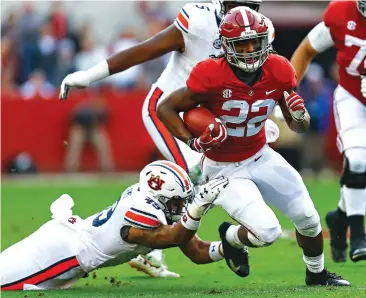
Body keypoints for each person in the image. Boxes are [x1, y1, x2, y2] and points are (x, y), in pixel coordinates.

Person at [58, 0, 279, 278]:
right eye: (235, 2)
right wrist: (89, 75)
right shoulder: (199, 23)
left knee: (195, 181)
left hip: (206, 117)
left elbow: (262, 80)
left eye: (249, 5)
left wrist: (267, 118)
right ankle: (156, 246)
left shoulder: (257, 30)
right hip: (167, 110)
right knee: (196, 177)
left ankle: (156, 244)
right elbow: (146, 50)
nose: (242, 10)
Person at [157, 7, 349, 286]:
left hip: (260, 155)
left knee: (307, 216)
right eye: (241, 44)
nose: (249, 50)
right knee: (267, 231)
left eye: (254, 42)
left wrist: (300, 116)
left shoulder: (280, 69)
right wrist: (191, 141)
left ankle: (317, 274)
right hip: (223, 169)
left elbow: (300, 126)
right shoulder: (210, 73)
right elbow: (166, 108)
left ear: (265, 41)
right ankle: (232, 237)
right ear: (225, 46)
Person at [0, 161, 230, 291]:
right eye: (176, 201)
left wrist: (231, 245)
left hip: (66, 236)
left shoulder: (146, 197)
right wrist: (197, 207)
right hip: (64, 252)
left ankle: (145, 257)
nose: (181, 206)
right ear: (160, 196)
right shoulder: (142, 210)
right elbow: (175, 238)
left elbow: (196, 251)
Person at [290, 0, 366, 263]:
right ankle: (358, 235)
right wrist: (287, 92)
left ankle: (339, 218)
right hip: (353, 96)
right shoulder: (340, 13)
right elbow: (307, 49)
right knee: (356, 160)